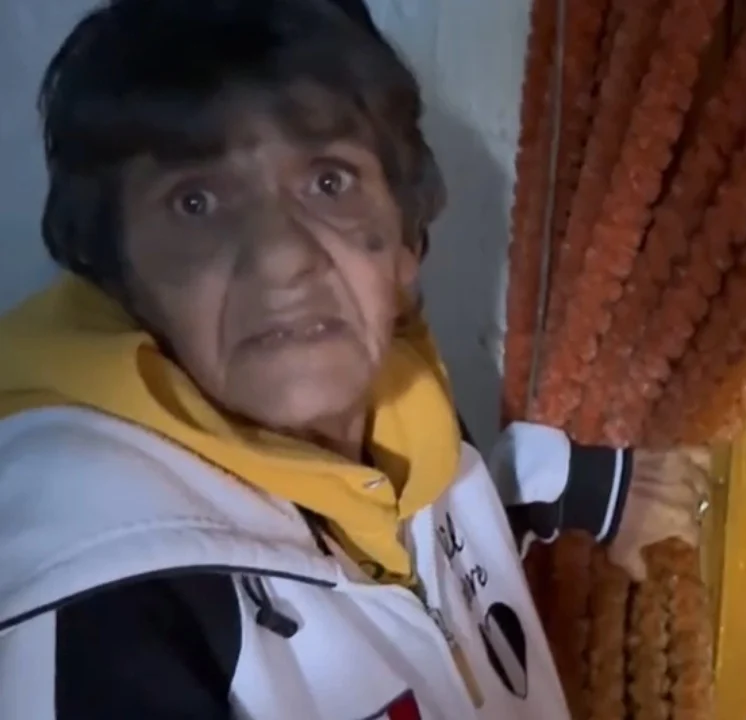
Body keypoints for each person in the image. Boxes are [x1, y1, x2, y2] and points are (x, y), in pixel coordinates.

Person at [0, 0, 707, 717]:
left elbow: (393, 575)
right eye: (196, 202)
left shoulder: (403, 412)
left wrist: (581, 488)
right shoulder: (99, 622)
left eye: (329, 182)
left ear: (405, 245)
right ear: (122, 282)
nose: (281, 258)